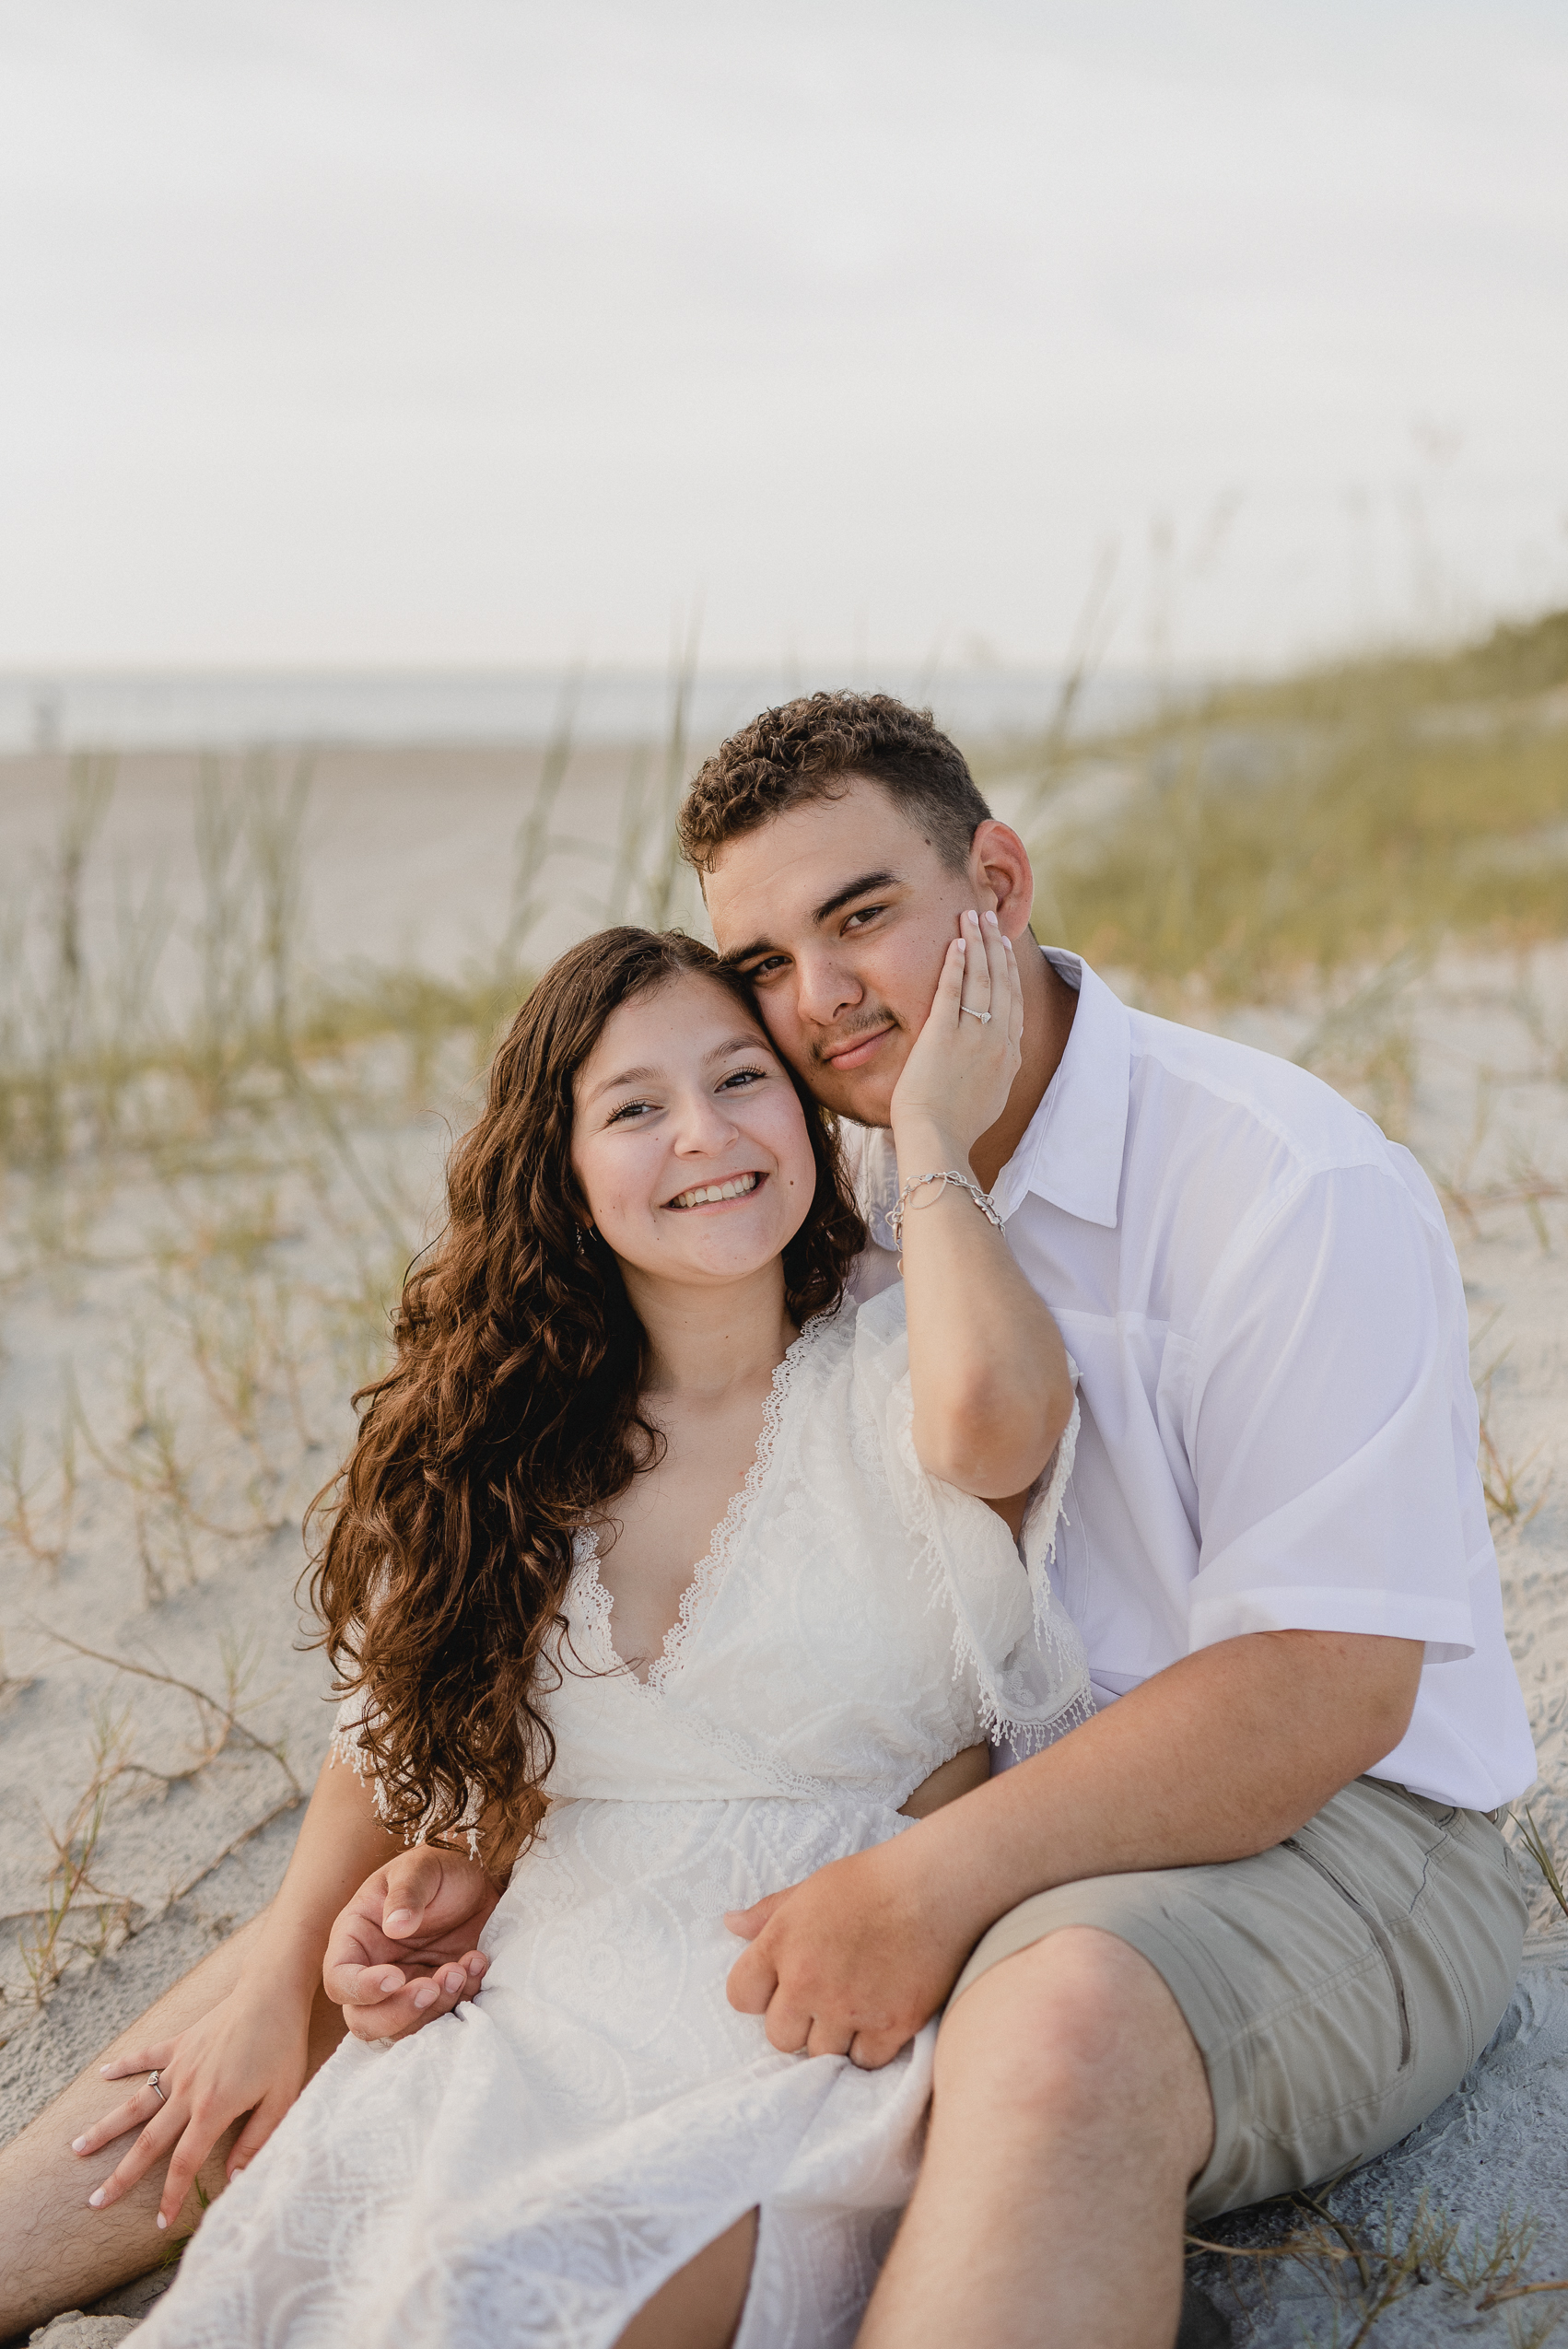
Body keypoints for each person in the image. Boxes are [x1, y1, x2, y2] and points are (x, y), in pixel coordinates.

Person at [0, 917, 1089, 2348]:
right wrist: (309, 1954)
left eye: (742, 1081)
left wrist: (932, 1125)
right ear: (564, 1174)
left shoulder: (899, 1355)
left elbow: (1008, 1425)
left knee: (496, 2299)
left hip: (806, 2026)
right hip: (531, 2009)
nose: (705, 1134)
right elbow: (386, 1736)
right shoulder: (506, 1435)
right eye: (635, 1108)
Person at [674, 690, 1537, 2349]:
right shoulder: (817, 1195)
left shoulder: (1283, 1181)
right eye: (765, 963)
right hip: (992, 1800)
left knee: (1056, 2028)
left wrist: (931, 1883)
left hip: (1352, 1834)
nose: (821, 1000)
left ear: (994, 882)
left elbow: (1324, 1687)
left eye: (861, 917)